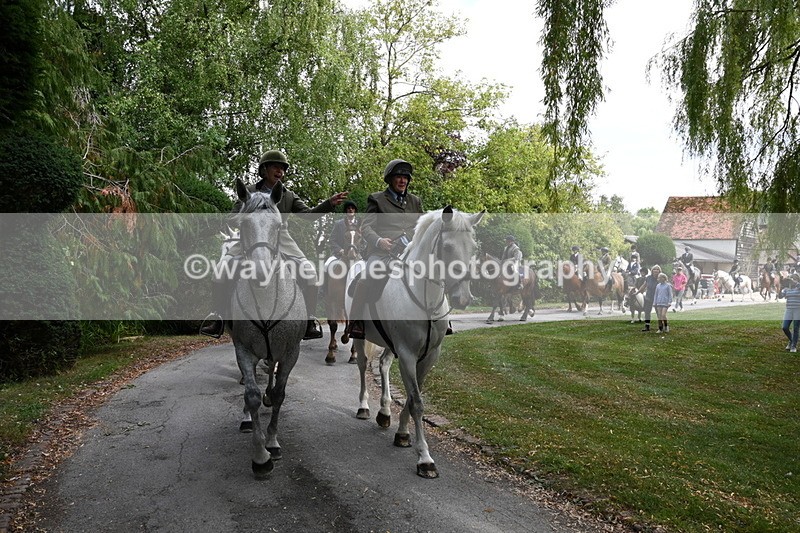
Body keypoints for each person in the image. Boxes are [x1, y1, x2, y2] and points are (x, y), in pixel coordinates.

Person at [199, 149, 348, 340]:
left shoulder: (288, 195)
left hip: (281, 235)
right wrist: (247, 220)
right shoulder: (249, 192)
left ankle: (309, 321)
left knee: (310, 272)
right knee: (220, 270)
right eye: (276, 167)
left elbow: (309, 216)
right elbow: (231, 217)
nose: (280, 172)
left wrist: (329, 203)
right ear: (264, 169)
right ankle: (217, 317)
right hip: (250, 235)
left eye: (283, 169)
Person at [345, 159, 423, 340]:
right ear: (390, 179)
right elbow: (366, 227)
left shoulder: (415, 201)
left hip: (409, 250)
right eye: (398, 177)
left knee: (434, 271)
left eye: (405, 177)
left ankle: (440, 320)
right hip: (383, 251)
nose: (403, 181)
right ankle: (355, 323)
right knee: (368, 275)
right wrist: (379, 241)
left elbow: (421, 226)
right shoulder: (377, 199)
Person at [635, 264, 662, 332]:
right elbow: (644, 286)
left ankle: (661, 327)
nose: (656, 270)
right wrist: (637, 292)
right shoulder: (648, 278)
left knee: (658, 313)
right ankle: (647, 326)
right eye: (654, 269)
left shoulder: (661, 278)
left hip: (657, 298)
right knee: (647, 312)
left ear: (659, 271)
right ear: (652, 270)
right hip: (648, 297)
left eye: (657, 269)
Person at [780, 272, 800, 352]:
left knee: (796, 328)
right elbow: (780, 296)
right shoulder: (787, 289)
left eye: (794, 279)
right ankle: (791, 340)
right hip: (789, 310)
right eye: (791, 279)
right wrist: (780, 288)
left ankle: (793, 346)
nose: (792, 280)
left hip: (798, 310)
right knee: (785, 327)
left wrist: (796, 283)